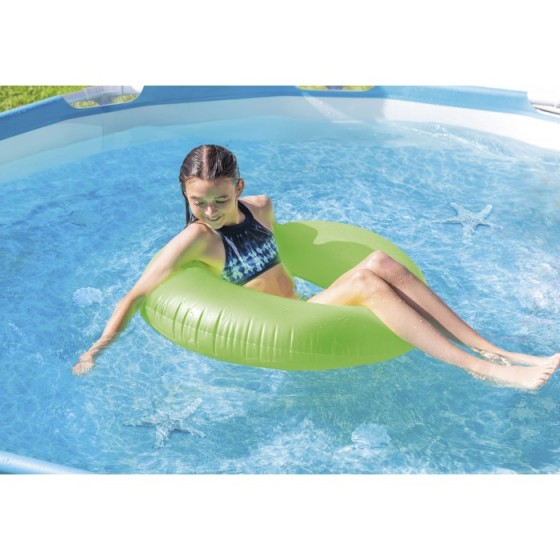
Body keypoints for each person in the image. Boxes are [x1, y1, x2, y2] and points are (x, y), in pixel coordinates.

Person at [73, 144, 560, 389]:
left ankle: (497, 350)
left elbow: (286, 250)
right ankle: (481, 369)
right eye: (197, 201)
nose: (210, 211)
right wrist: (97, 349)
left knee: (379, 261)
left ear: (239, 188)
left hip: (306, 305)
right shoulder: (195, 241)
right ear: (185, 195)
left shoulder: (261, 209)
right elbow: (136, 294)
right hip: (284, 327)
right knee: (367, 279)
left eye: (220, 200)